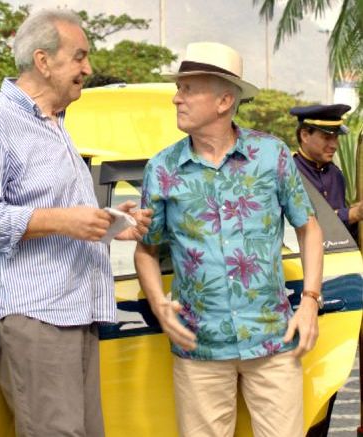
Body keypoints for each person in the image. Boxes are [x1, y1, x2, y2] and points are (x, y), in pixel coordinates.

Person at [0, 9, 151, 437]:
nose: (88, 68)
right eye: (79, 56)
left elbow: (64, 217)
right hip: (32, 313)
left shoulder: (53, 124)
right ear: (43, 61)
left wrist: (111, 225)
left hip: (73, 309)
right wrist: (63, 220)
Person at [134, 41, 324, 437]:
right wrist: (158, 304)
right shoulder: (162, 169)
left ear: (224, 101)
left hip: (272, 340)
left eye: (188, 89)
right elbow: (146, 249)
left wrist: (309, 301)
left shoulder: (271, 156)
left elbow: (308, 227)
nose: (176, 98)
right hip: (199, 347)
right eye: (179, 88)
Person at [290, 103, 362, 241]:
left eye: (336, 137)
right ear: (305, 135)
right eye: (327, 137)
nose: (334, 145)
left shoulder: (335, 174)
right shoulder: (289, 173)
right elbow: (301, 226)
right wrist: (352, 214)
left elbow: (341, 233)